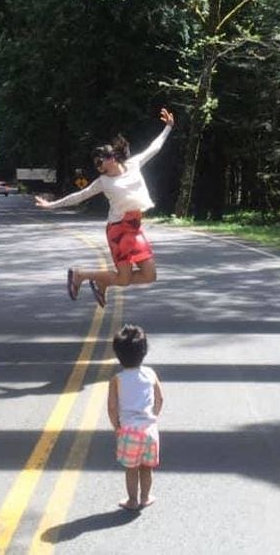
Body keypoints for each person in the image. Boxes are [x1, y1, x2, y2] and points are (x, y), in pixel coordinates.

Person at [35, 107, 175, 307]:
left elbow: (155, 148)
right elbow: (79, 196)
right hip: (118, 230)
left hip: (135, 228)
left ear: (112, 158)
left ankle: (96, 281)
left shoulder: (134, 164)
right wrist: (51, 205)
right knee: (124, 279)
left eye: (100, 160)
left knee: (150, 275)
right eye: (95, 162)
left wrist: (168, 127)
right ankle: (80, 275)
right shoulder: (103, 182)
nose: (97, 164)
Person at [108, 323, 163, 511]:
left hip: (129, 430)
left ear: (118, 355)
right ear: (144, 351)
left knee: (132, 468)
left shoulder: (117, 379)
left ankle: (132, 500)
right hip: (149, 430)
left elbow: (112, 407)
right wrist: (153, 416)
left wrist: (116, 426)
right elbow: (160, 398)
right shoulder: (150, 373)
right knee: (146, 467)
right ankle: (145, 497)